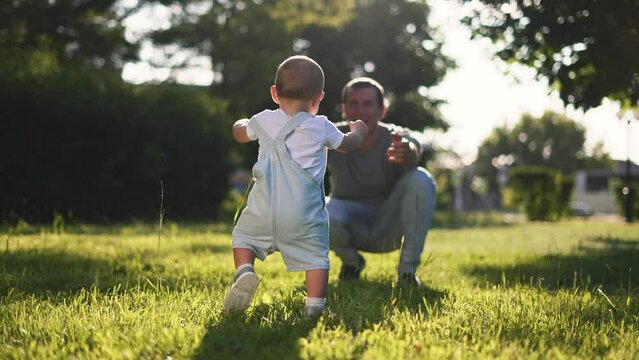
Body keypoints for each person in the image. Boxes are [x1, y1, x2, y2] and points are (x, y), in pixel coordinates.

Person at [225, 56, 368, 317]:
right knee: (316, 258)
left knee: (243, 238)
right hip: (303, 215)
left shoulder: (263, 120)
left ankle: (245, 271)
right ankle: (314, 308)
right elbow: (348, 145)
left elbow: (240, 134)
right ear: (318, 98)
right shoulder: (320, 126)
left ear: (274, 93)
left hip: (262, 209)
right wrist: (358, 131)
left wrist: (241, 123)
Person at [326, 77, 437, 286]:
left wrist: (409, 153)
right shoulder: (329, 134)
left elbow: (412, 145)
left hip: (388, 224)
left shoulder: (395, 136)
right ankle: (352, 261)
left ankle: (407, 272)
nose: (360, 111)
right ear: (344, 109)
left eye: (368, 104)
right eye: (353, 104)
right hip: (347, 223)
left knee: (421, 178)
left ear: (382, 110)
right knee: (313, 207)